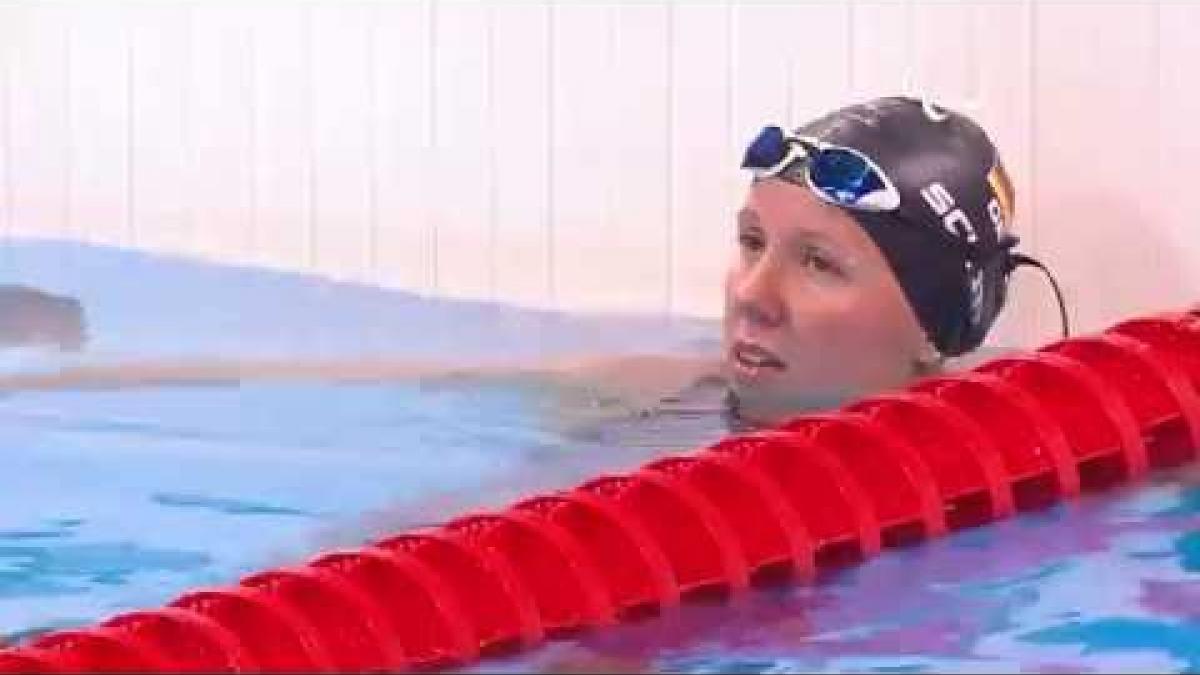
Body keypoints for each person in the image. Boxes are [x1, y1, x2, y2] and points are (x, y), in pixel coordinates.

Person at [0, 96, 1066, 432]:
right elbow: (338, 383)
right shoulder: (666, 390)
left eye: (818, 264)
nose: (753, 294)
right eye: (749, 244)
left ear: (940, 321)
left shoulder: (1014, 476)